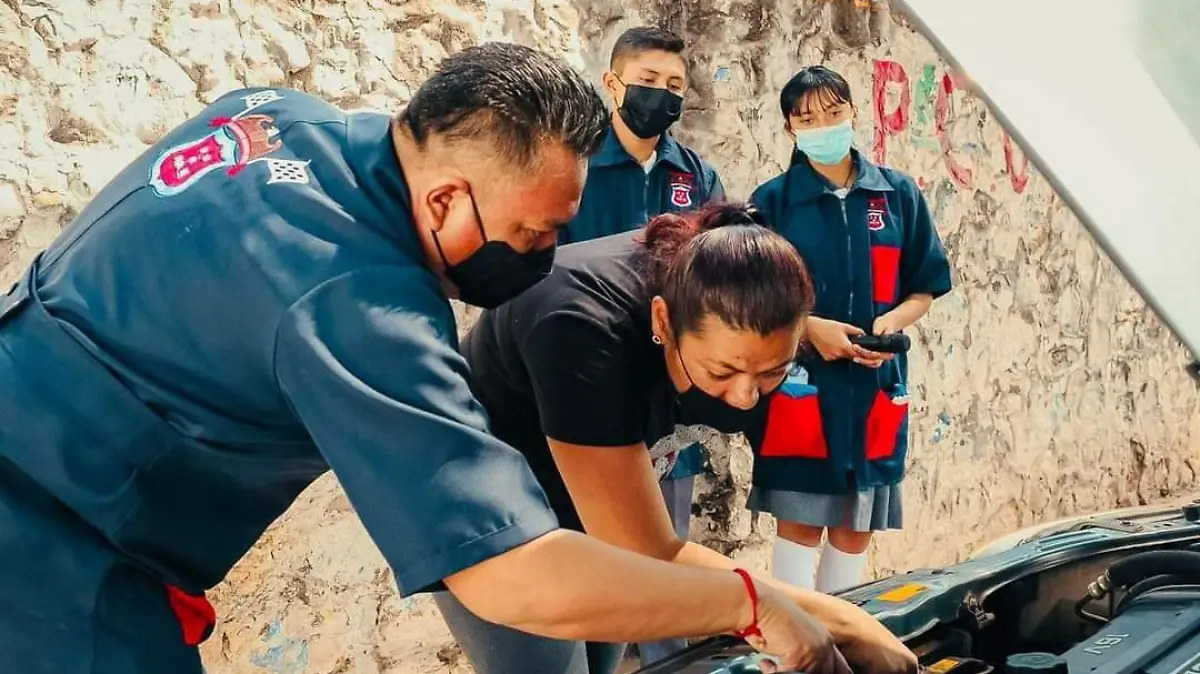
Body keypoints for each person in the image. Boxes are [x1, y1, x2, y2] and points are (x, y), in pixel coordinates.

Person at [0, 44, 849, 674]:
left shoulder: (275, 113)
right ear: (445, 197)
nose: (546, 260)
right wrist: (749, 602)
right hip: (51, 553)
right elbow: (511, 577)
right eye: (534, 234)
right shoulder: (358, 302)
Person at [451, 202, 920, 674]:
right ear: (661, 323)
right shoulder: (579, 327)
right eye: (724, 371)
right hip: (487, 508)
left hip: (589, 480)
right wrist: (842, 619)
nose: (744, 397)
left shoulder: (727, 277)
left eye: (771, 372)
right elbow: (647, 551)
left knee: (604, 654)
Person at [747, 65, 953, 594]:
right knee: (799, 518)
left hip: (875, 384)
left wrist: (891, 323)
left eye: (833, 112)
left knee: (856, 524)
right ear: (791, 129)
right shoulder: (771, 203)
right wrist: (809, 328)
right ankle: (791, 635)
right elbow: (753, 294)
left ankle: (842, 633)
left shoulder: (897, 195)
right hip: (800, 382)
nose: (823, 125)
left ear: (854, 113)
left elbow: (924, 286)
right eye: (807, 117)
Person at [559, 25, 727, 665]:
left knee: (665, 544)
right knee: (591, 545)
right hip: (585, 376)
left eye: (675, 86)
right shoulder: (575, 162)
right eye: (649, 82)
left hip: (664, 385)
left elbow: (715, 266)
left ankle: (667, 660)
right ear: (613, 83)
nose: (662, 97)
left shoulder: (695, 174)